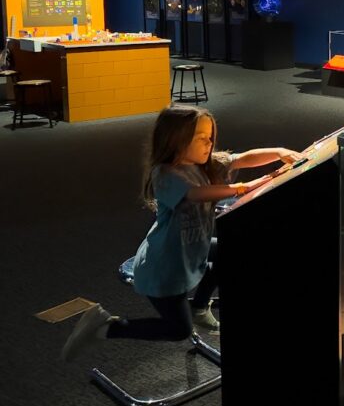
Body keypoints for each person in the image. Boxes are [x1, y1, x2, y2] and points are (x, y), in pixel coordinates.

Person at [61, 104, 302, 361]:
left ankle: (199, 306)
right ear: (175, 140)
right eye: (201, 138)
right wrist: (243, 187)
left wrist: (279, 152)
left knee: (231, 248)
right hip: (165, 266)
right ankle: (105, 327)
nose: (209, 144)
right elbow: (196, 193)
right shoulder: (165, 174)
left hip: (191, 248)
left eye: (211, 137)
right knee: (177, 330)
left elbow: (242, 158)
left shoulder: (205, 165)